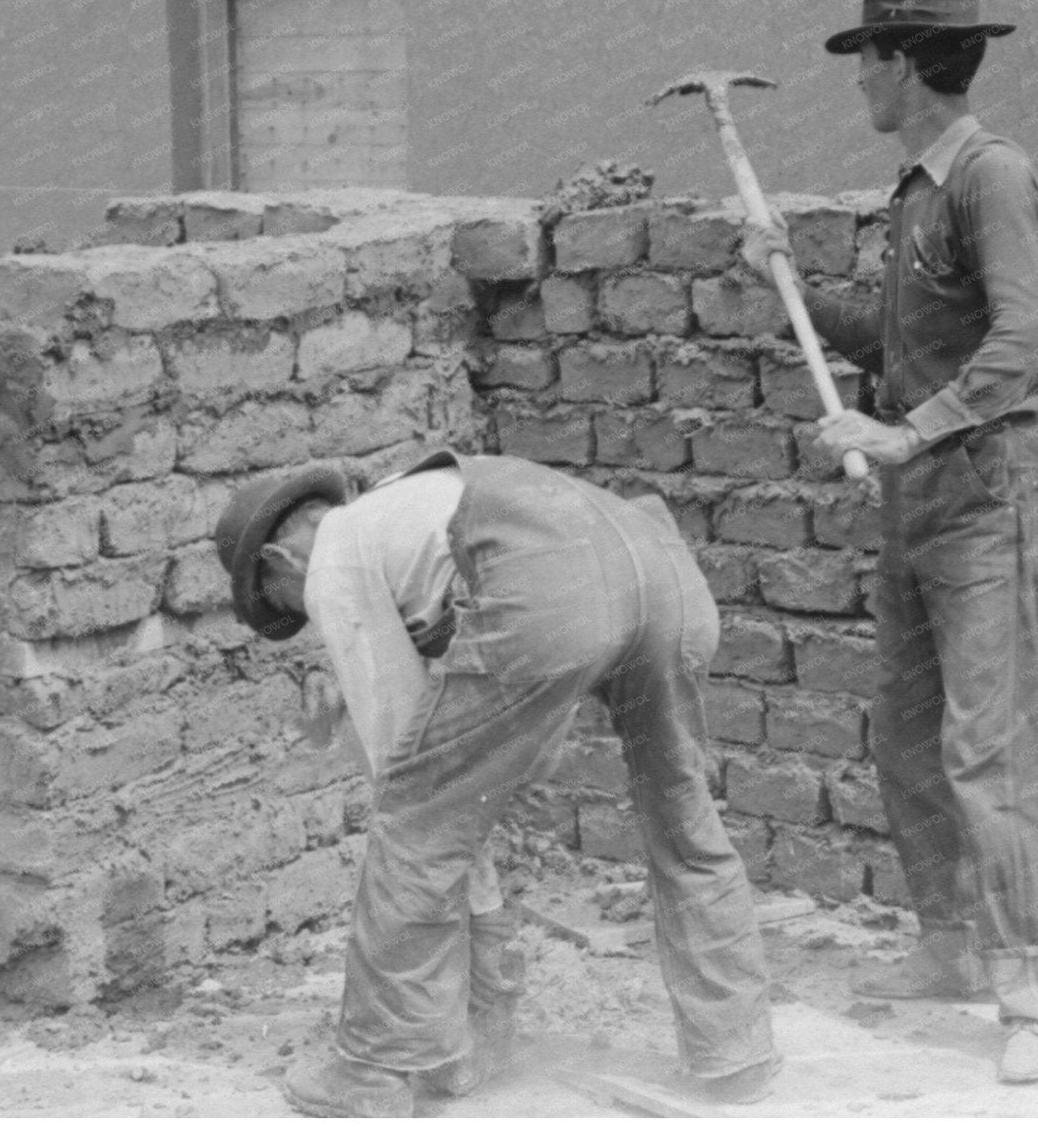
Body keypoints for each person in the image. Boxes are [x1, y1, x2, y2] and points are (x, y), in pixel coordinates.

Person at [740, 0, 1038, 1085]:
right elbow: (899, 350)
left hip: (988, 492)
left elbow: (1024, 344)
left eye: (865, 61)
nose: (856, 86)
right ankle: (949, 950)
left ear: (903, 61)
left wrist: (902, 432)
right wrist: (785, 280)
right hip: (920, 496)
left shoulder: (991, 175)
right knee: (905, 739)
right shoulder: (916, 192)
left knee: (993, 749)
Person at [214, 450, 778, 1117]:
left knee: (414, 822)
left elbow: (407, 763)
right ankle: (734, 1050)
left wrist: (456, 837)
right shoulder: (411, 509)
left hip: (557, 595)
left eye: (284, 604)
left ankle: (375, 1064)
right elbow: (471, 692)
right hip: (664, 574)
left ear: (281, 562)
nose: (304, 616)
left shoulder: (335, 554)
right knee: (682, 812)